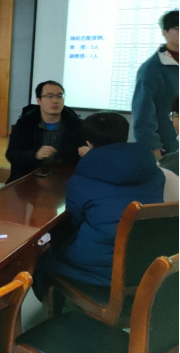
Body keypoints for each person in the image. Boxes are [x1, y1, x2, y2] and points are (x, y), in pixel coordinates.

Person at [32, 112, 165, 299]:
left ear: (88, 142)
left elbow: (75, 223)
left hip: (103, 273)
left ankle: (60, 309)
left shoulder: (81, 179)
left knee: (42, 260)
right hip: (148, 263)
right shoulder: (154, 172)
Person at [6, 80, 88, 183]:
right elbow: (12, 154)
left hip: (65, 178)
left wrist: (88, 152)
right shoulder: (25, 124)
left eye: (59, 96)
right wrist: (35, 155)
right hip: (29, 178)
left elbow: (85, 156)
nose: (55, 101)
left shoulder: (77, 125)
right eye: (50, 96)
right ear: (38, 100)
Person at [132, 9, 179, 160]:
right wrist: (151, 144)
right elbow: (143, 110)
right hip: (169, 145)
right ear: (165, 32)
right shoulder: (152, 68)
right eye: (178, 29)